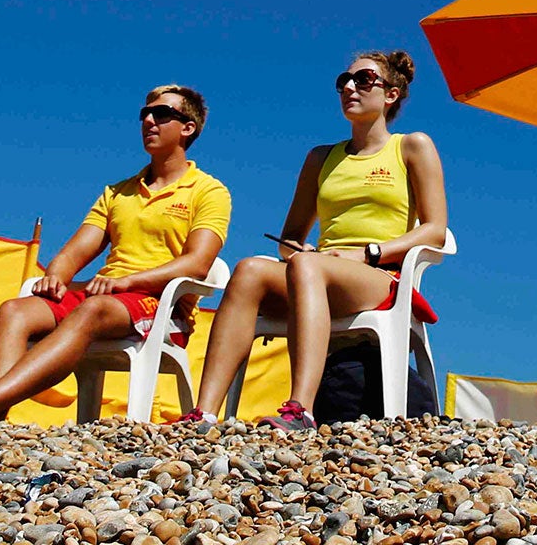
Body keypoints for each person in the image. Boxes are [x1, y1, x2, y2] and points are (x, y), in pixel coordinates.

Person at [0, 83, 229, 423]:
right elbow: (75, 251)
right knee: (14, 310)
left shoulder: (209, 191)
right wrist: (56, 276)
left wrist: (127, 282)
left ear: (187, 128)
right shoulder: (118, 192)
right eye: (144, 114)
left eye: (161, 114)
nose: (148, 121)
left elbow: (199, 263)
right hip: (106, 297)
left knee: (93, 308)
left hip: (160, 307)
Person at [185, 49, 447, 431]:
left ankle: (300, 409)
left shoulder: (411, 146)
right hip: (319, 271)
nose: (350, 87)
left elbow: (435, 229)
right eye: (344, 81)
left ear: (390, 94)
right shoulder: (320, 158)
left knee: (308, 265)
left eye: (364, 80)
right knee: (249, 270)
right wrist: (298, 250)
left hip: (379, 276)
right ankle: (203, 413)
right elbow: (290, 237)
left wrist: (368, 253)